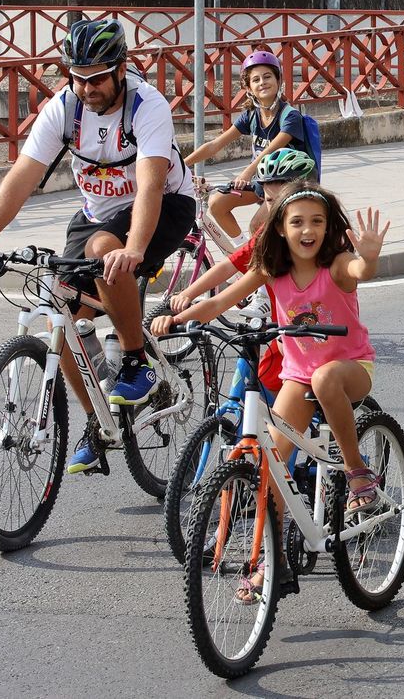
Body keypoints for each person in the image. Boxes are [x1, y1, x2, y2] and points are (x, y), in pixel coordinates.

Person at [0, 19, 197, 475]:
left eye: (98, 78)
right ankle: (99, 426)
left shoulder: (147, 105)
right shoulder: (65, 107)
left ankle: (136, 361)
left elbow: (149, 185)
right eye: (78, 78)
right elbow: (24, 174)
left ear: (121, 69)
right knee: (58, 316)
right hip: (97, 212)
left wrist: (136, 248)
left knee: (107, 249)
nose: (87, 88)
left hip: (164, 205)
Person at [153, 185, 386, 554]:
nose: (307, 231)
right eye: (297, 222)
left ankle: (358, 473)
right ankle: (268, 560)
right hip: (297, 374)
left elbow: (360, 269)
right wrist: (176, 319)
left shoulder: (337, 266)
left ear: (328, 228)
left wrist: (369, 258)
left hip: (350, 367)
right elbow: (221, 303)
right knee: (273, 467)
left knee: (325, 379)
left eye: (316, 222)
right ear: (280, 228)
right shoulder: (271, 270)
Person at [165, 147, 320, 397]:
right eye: (269, 201)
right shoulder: (266, 242)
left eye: (283, 200)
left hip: (318, 343)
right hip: (281, 337)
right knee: (257, 397)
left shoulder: (325, 247)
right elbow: (226, 277)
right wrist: (182, 307)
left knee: (293, 412)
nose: (275, 209)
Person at [182, 50, 310, 239]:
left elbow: (272, 147)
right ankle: (244, 253)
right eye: (255, 80)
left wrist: (247, 172)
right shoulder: (251, 115)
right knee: (217, 203)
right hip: (262, 182)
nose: (262, 82)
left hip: (287, 184)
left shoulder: (290, 116)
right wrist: (181, 165)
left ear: (278, 80)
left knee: (257, 226)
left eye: (267, 77)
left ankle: (261, 262)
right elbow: (216, 144)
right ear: (248, 88)